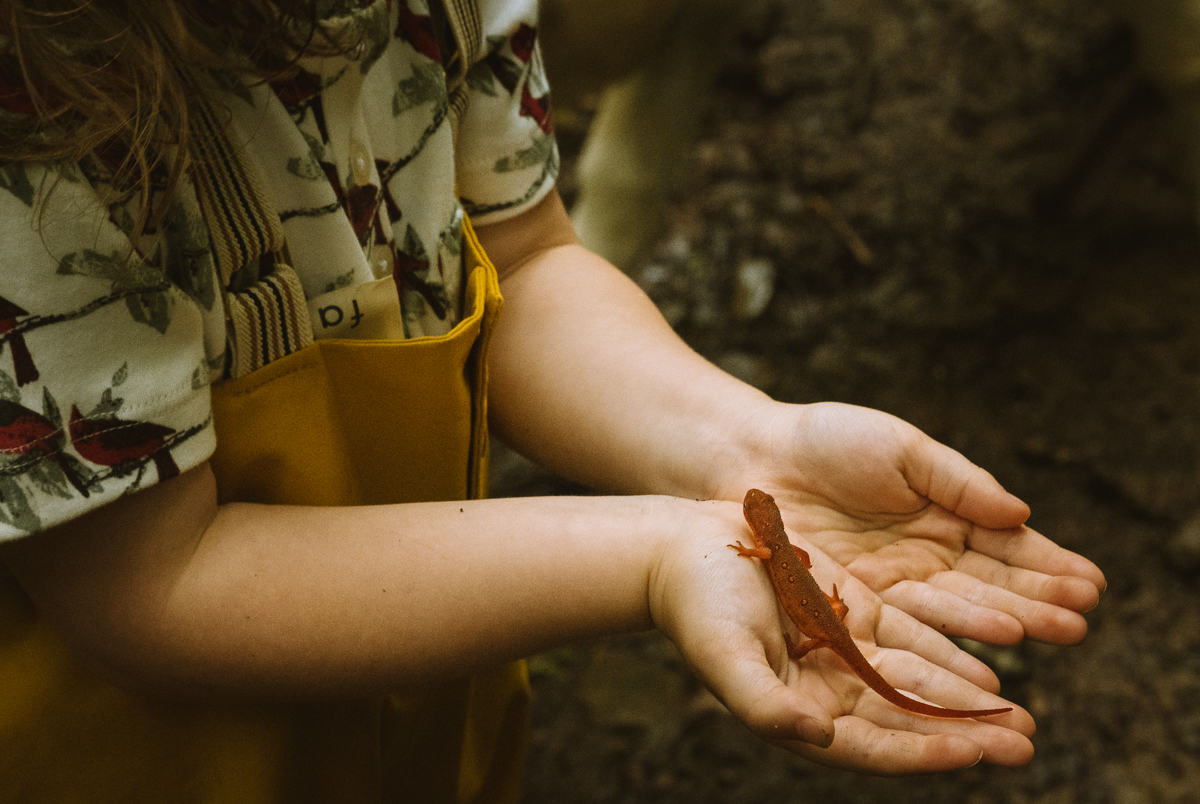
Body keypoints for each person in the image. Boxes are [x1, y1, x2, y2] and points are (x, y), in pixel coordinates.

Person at [0, 0, 1105, 801]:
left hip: (431, 687)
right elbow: (159, 584)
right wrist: (656, 555)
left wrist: (744, 443)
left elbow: (520, 262)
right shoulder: (32, 139)